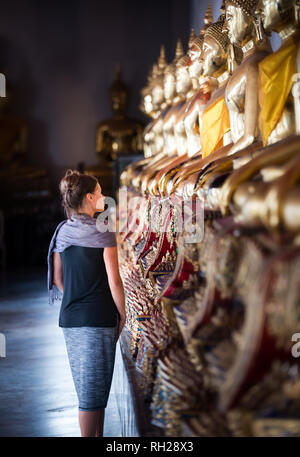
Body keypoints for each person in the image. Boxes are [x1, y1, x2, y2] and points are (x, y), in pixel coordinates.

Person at [47, 168, 126, 437]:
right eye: (101, 193)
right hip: (98, 318)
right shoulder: (104, 234)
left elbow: (58, 279)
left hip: (71, 319)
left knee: (93, 390)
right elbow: (115, 281)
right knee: (92, 395)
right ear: (91, 198)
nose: (105, 196)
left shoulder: (61, 233)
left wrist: (79, 294)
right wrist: (123, 314)